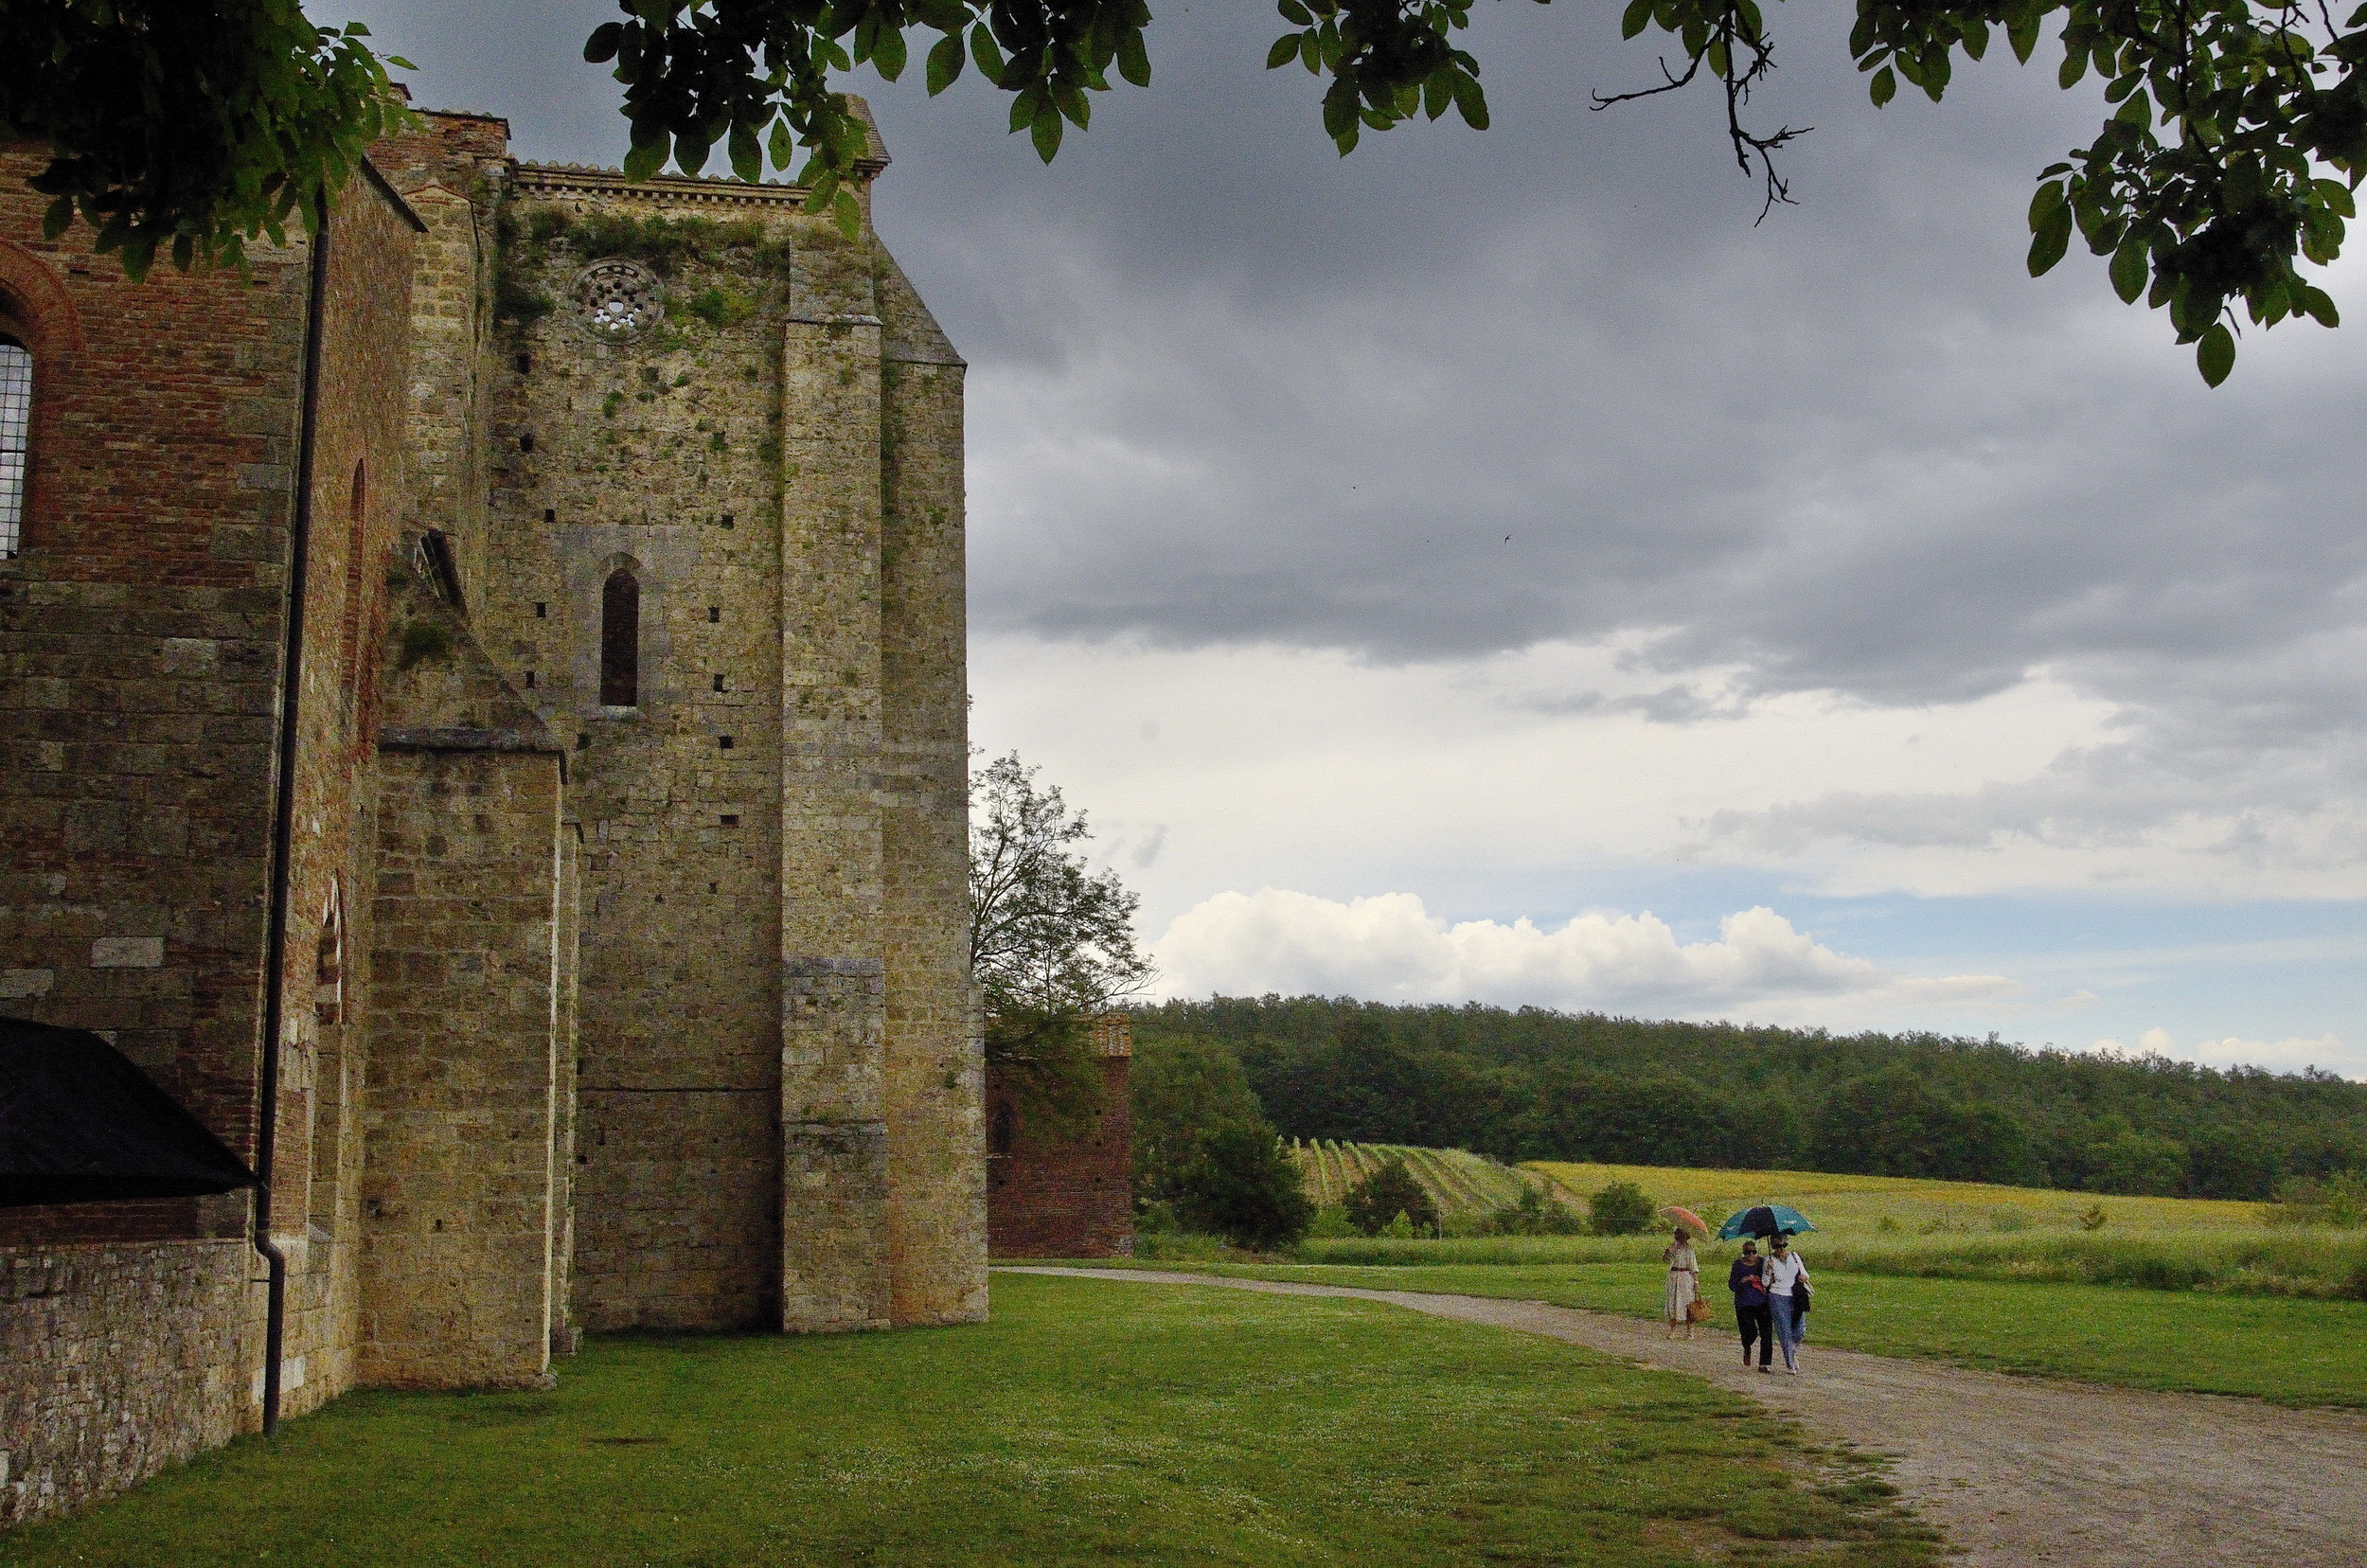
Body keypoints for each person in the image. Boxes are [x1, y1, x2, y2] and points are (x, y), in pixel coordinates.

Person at [1764, 1232, 1811, 1374]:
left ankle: (1793, 1350)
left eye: (1784, 1245)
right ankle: (1790, 1363)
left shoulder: (1794, 1256)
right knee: (1784, 1330)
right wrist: (1768, 1270)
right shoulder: (1769, 1259)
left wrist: (1803, 1277)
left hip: (1795, 1296)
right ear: (1773, 1246)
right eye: (1778, 1246)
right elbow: (1765, 1282)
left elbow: (1805, 1273)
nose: (1781, 1249)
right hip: (1777, 1296)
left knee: (1799, 1330)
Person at [1728, 1238, 1772, 1372]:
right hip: (1744, 1303)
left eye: (1754, 1252)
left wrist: (1770, 1268)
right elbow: (1732, 1285)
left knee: (1767, 1333)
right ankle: (1747, 1347)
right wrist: (1743, 1281)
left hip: (1762, 1301)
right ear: (1744, 1253)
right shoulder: (1738, 1265)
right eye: (1748, 1252)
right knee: (1749, 1331)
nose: (1751, 1255)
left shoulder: (1762, 1262)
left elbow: (1768, 1279)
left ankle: (1764, 1363)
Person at [1662, 1226, 1700, 1340]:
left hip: (1685, 1277)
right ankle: (1672, 1331)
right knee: (1672, 1302)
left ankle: (1689, 1331)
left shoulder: (1689, 1250)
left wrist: (1696, 1281)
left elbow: (1693, 1266)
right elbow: (1665, 1260)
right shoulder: (1673, 1248)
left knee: (1687, 1303)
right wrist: (1668, 1251)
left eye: (1682, 1235)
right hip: (1673, 1276)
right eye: (1677, 1235)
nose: (1679, 1238)